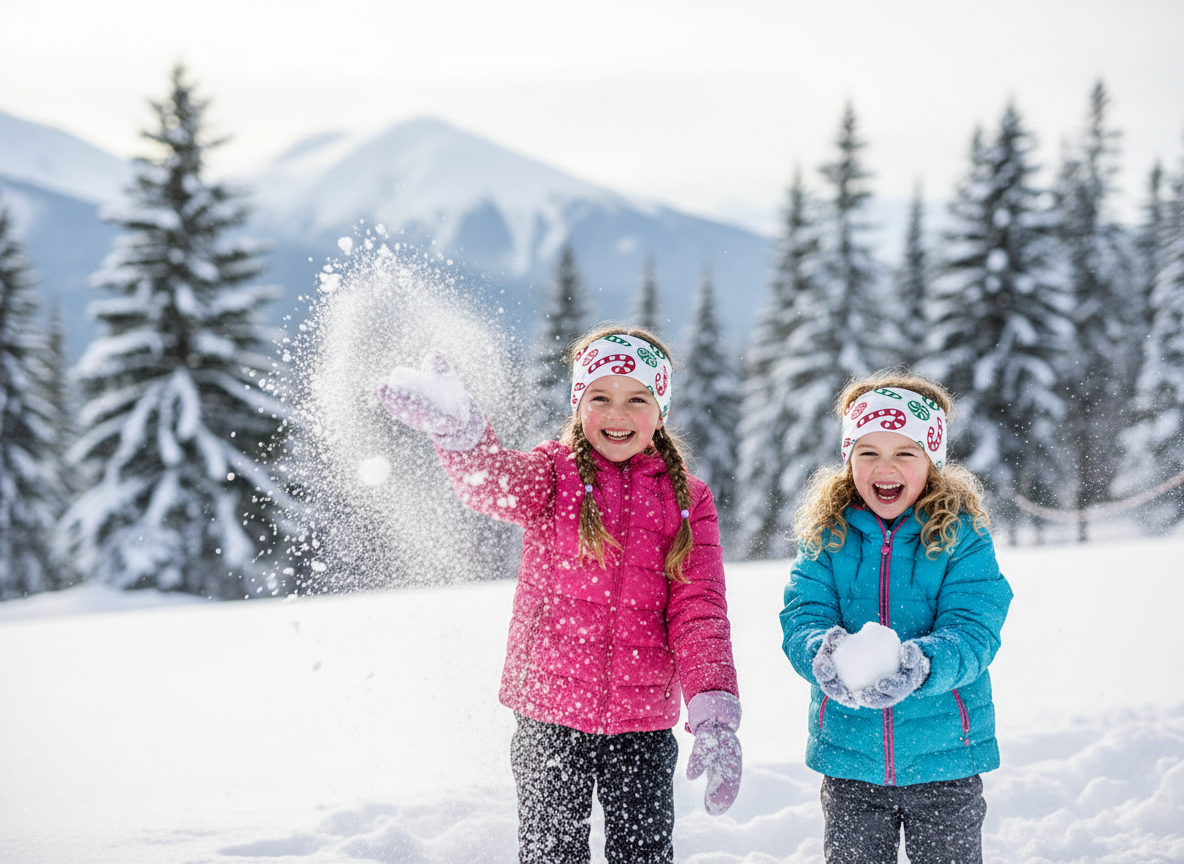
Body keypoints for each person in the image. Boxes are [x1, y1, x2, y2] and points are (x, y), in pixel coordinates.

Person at [377, 325, 742, 864]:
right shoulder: (553, 474)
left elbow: (699, 609)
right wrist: (462, 433)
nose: (617, 414)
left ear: (660, 410)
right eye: (600, 397)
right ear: (578, 404)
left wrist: (713, 710)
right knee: (551, 855)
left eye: (637, 399)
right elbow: (492, 482)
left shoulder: (689, 500)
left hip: (642, 725)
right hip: (549, 718)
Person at [780, 371, 1012, 864]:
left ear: (932, 460)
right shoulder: (828, 534)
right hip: (851, 759)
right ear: (849, 461)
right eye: (869, 452)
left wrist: (923, 665)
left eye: (905, 452)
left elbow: (975, 628)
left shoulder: (961, 536)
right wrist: (822, 655)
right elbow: (803, 614)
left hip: (946, 757)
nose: (886, 467)